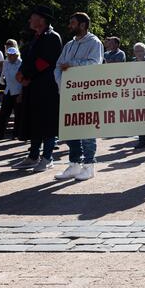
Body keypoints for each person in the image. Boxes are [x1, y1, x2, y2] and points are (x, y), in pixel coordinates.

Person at [53, 12, 104, 180]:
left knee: (87, 130)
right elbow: (58, 66)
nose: (70, 26)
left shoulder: (94, 42)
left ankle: (89, 166)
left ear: (82, 25)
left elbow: (94, 64)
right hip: (68, 94)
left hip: (86, 95)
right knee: (70, 130)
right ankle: (74, 164)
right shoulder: (68, 44)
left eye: (73, 23)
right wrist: (62, 85)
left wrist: (72, 65)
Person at [12, 6, 63, 172]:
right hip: (33, 86)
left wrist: (27, 76)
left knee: (47, 122)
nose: (29, 20)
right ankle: (33, 156)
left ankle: (47, 158)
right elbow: (28, 60)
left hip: (47, 86)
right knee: (34, 121)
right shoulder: (35, 38)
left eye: (31, 17)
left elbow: (45, 62)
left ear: (41, 19)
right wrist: (21, 74)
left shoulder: (52, 37)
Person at [0, 46, 22, 140]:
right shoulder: (6, 63)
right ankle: (0, 134)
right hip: (8, 91)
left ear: (16, 55)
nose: (9, 57)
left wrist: (21, 94)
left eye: (11, 55)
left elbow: (23, 80)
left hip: (18, 91)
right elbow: (3, 75)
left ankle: (16, 134)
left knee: (18, 114)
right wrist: (1, 82)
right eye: (8, 55)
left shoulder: (21, 63)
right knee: (3, 114)